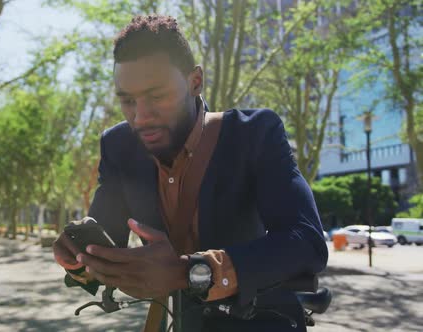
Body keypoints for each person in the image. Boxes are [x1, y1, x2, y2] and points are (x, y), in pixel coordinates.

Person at [53, 14, 328, 332]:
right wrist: (80, 260)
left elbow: (306, 242)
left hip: (260, 318)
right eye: (127, 101)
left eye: (156, 96)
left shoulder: (256, 134)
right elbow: (106, 242)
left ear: (195, 82)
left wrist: (191, 272)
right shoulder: (118, 146)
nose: (141, 117)